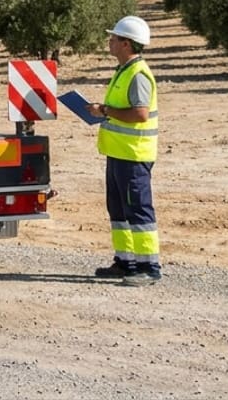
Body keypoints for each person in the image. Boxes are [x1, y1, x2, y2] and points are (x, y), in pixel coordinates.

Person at [90, 15, 162, 287]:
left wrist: (105, 110)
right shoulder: (124, 70)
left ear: (126, 43)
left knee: (138, 210)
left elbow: (140, 114)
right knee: (119, 210)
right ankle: (125, 261)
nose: (109, 41)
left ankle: (149, 267)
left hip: (133, 155)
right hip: (118, 153)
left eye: (114, 38)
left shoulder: (138, 74)